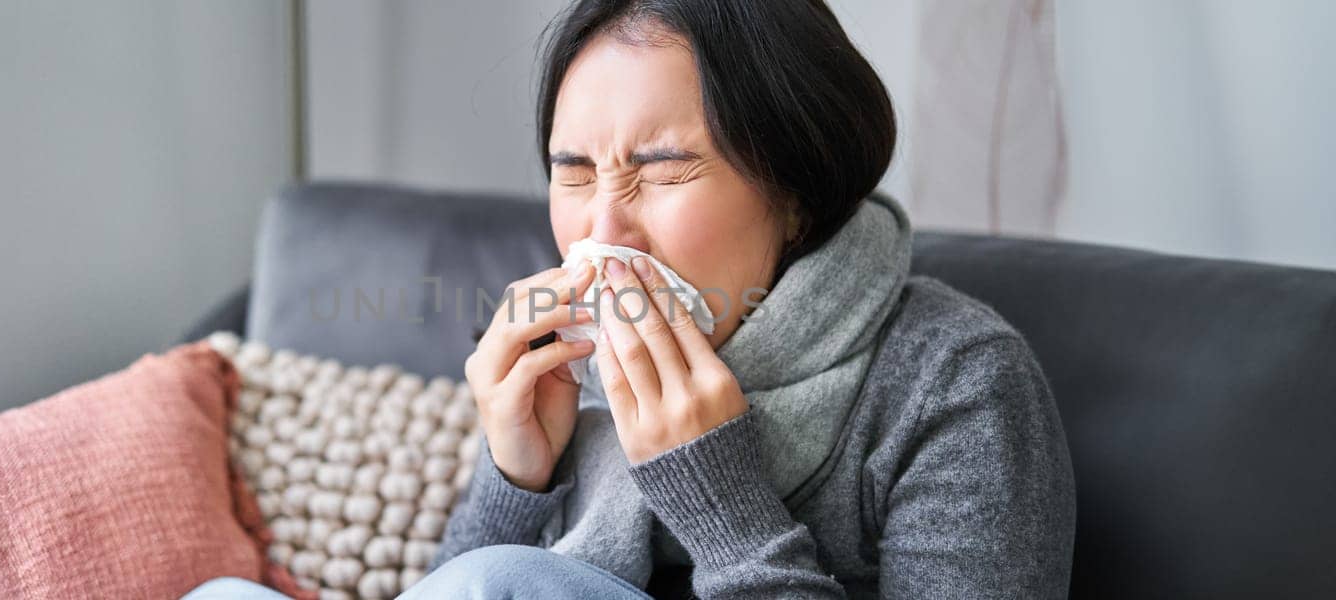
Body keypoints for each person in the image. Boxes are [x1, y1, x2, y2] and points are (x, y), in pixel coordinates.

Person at [184, 0, 1074, 598]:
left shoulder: (955, 383)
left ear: (797, 189)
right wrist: (515, 473)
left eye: (663, 171)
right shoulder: (571, 370)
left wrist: (718, 498)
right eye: (572, 174)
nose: (603, 231)